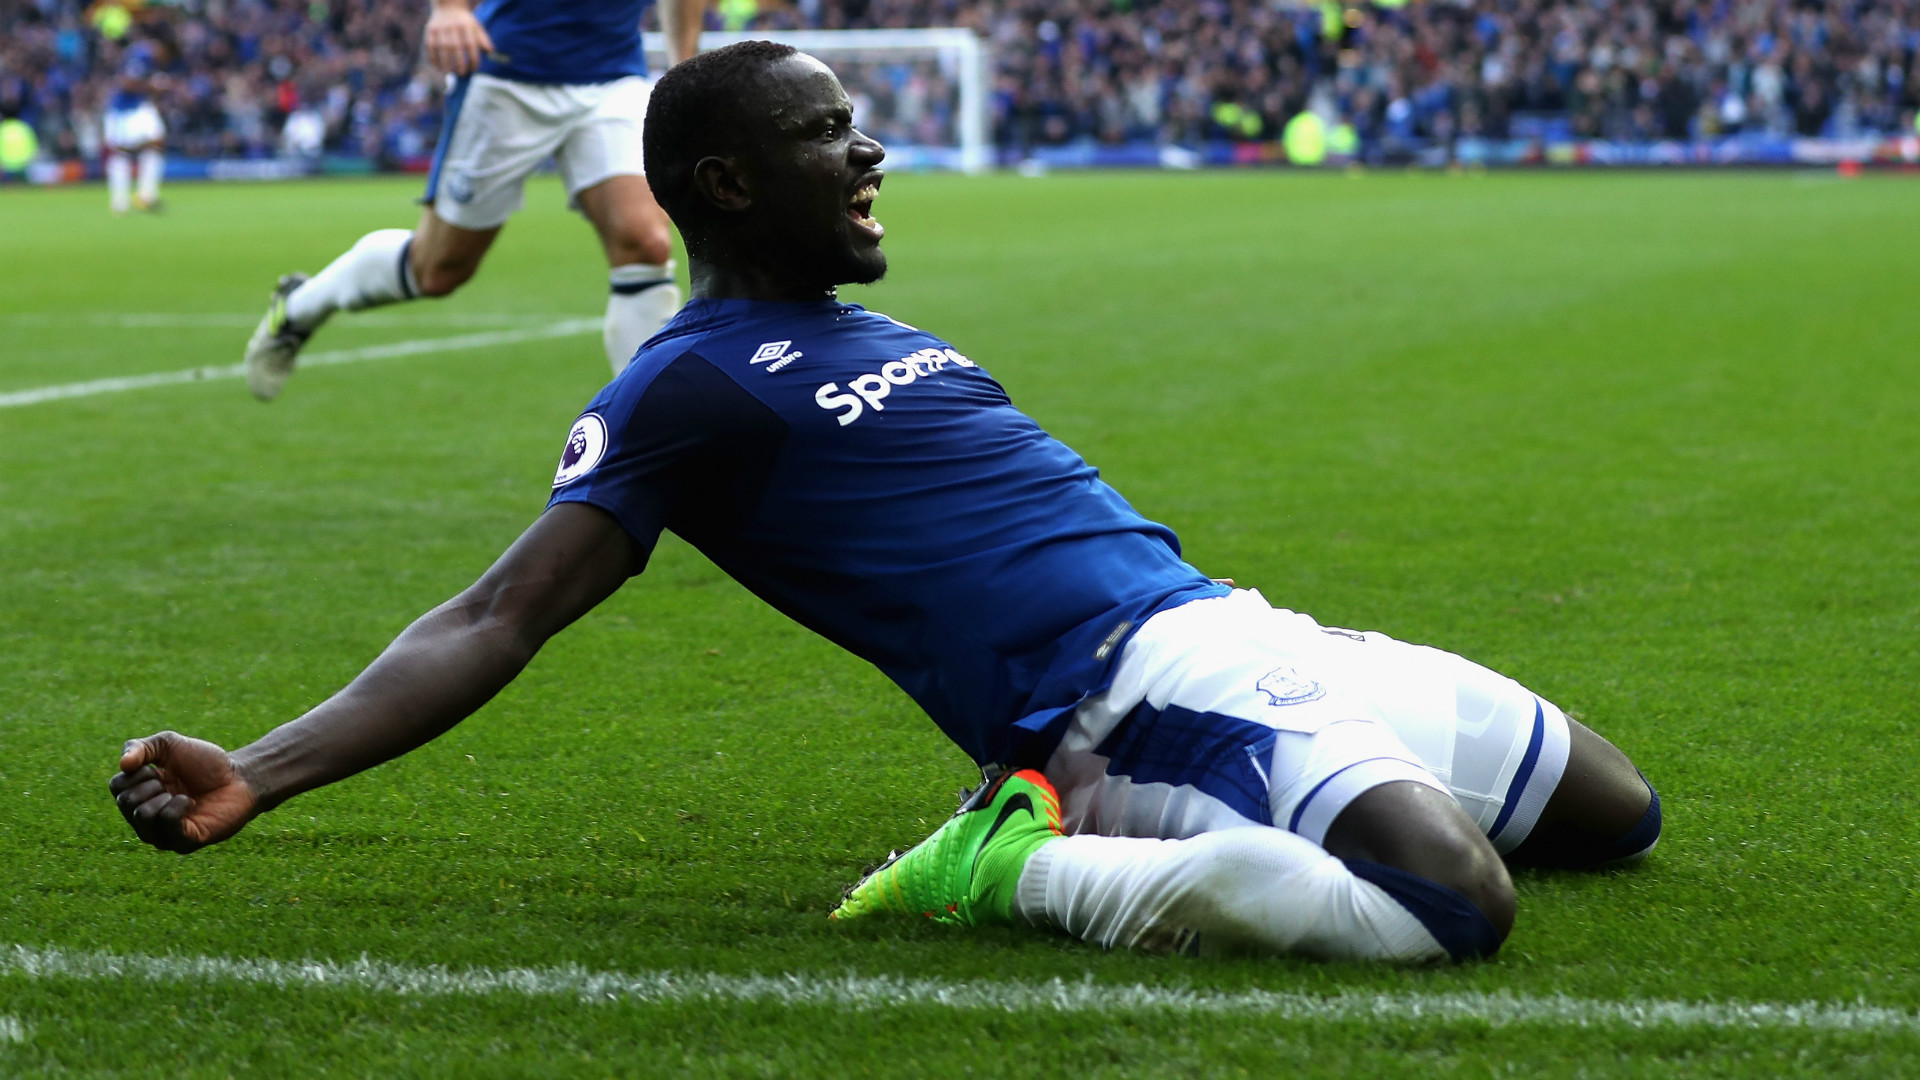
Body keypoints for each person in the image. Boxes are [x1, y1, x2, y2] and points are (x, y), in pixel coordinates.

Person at [113, 42, 1660, 964]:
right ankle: (1012, 860)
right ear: (727, 185)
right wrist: (261, 769)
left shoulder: (869, 329)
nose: (872, 150)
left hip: (1237, 628)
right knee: (1451, 904)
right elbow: (495, 614)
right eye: (824, 132)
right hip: (1111, 703)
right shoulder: (685, 385)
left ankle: (1247, 774)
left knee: (1614, 816)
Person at [240, 0, 706, 401]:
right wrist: (450, 8)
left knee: (645, 243)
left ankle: (649, 427)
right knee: (438, 269)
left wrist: (682, 67)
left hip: (614, 76)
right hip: (506, 71)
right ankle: (300, 307)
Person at [102, 49, 166, 214]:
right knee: (119, 156)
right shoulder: (138, 60)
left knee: (153, 151)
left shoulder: (148, 66)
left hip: (137, 110)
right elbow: (128, 84)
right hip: (122, 112)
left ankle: (146, 196)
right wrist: (151, 85)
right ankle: (120, 200)